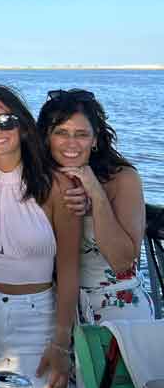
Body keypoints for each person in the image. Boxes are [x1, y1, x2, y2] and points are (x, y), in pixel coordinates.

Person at [0, 86, 80, 388]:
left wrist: (62, 343)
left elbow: (69, 270)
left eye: (5, 120)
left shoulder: (57, 186)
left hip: (37, 322)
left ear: (24, 126)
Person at [38, 89, 154, 324]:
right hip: (55, 308)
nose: (71, 143)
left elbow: (122, 262)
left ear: (94, 139)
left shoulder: (123, 179)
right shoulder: (39, 180)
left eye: (81, 134)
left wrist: (96, 193)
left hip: (118, 310)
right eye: (61, 132)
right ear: (47, 137)